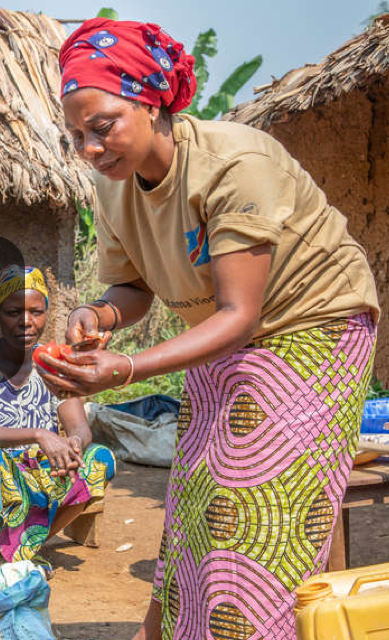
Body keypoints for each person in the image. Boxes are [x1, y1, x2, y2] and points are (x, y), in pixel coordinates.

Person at [49, 18, 380, 640]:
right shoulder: (113, 188)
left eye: (104, 126)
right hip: (219, 338)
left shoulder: (236, 162)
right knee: (196, 505)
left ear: (150, 101)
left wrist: (123, 369)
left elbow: (241, 313)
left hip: (309, 327)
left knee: (254, 514)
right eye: (77, 136)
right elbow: (134, 290)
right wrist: (97, 316)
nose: (91, 148)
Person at [0, 264, 115, 566]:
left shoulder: (56, 362)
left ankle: (26, 549)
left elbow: (79, 427)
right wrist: (40, 435)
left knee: (100, 458)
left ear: (46, 313)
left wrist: (74, 445)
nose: (26, 322)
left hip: (42, 468)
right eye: (13, 313)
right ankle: (14, 550)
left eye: (36, 312)